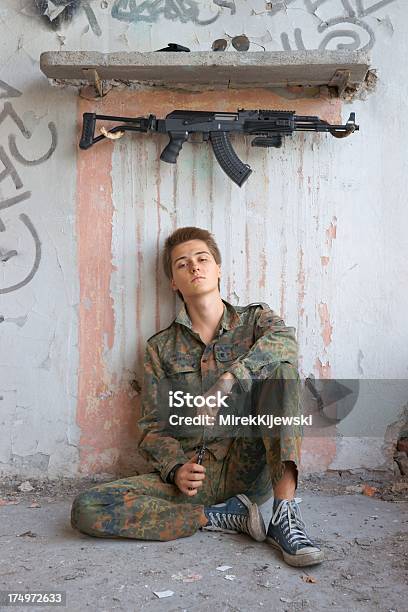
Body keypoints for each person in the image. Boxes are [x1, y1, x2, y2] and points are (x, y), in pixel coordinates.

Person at [71, 226, 323, 567]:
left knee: (283, 373)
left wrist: (229, 379)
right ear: (174, 282)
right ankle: (216, 516)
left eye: (202, 259)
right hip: (193, 480)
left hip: (249, 466)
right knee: (88, 508)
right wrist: (175, 468)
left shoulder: (255, 321)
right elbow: (152, 426)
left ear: (218, 268)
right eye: (182, 264)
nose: (194, 267)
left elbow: (286, 344)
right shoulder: (160, 348)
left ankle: (284, 515)